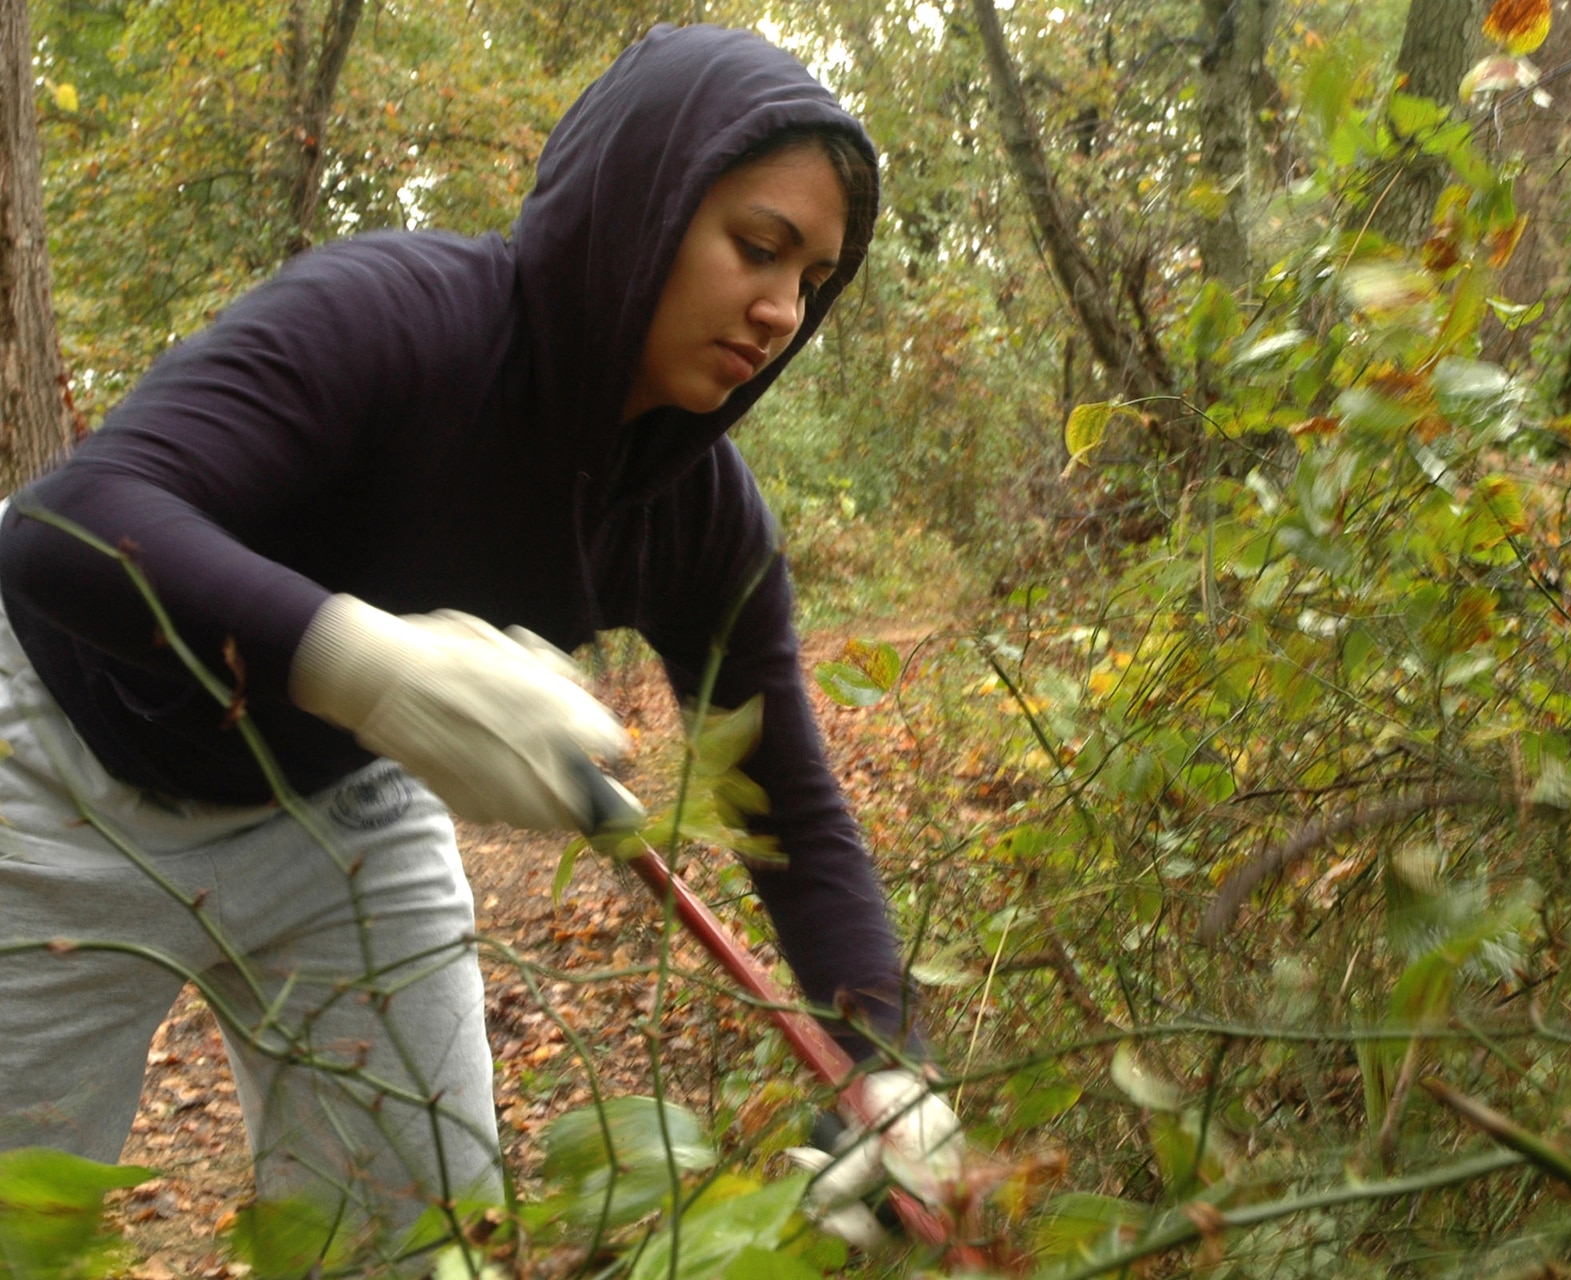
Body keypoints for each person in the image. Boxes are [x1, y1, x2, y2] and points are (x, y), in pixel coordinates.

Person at [0, 23, 947, 1264]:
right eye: (757, 247)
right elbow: (67, 527)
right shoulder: (394, 317)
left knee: (421, 1234)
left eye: (813, 278)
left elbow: (791, 805)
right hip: (60, 779)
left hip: (336, 810)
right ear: (643, 202)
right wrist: (371, 666)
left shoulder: (701, 520)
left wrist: (885, 1062)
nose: (782, 309)